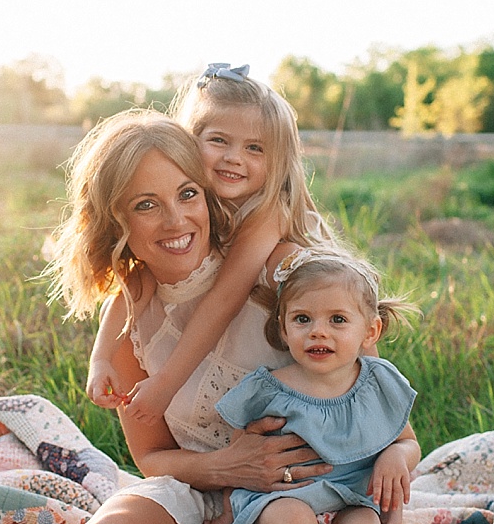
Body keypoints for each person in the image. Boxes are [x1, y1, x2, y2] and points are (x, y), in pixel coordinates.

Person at [0, 108, 398, 524]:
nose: (176, 219)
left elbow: (373, 396)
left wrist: (385, 523)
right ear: (115, 220)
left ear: (208, 194)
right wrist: (226, 467)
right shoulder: (129, 318)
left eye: (187, 194)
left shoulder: (278, 272)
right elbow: (153, 457)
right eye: (146, 204)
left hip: (302, 499)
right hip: (195, 492)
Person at [86, 63, 336, 426]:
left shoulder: (265, 215)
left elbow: (225, 299)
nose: (234, 158)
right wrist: (100, 357)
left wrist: (166, 385)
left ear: (277, 161)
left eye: (255, 148)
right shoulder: (206, 205)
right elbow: (134, 284)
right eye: (219, 140)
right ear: (190, 141)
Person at [202, 246, 420, 524]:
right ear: (284, 330)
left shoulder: (377, 381)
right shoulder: (269, 390)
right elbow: (238, 455)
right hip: (275, 506)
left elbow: (406, 441)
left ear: (370, 331)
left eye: (338, 319)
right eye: (303, 319)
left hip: (350, 500)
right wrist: (227, 512)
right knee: (295, 519)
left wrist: (396, 455)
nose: (319, 331)